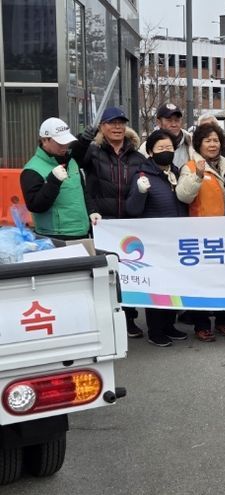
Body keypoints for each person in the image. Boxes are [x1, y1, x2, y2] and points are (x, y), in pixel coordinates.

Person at [71, 107, 147, 338]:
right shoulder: (93, 153)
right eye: (112, 123)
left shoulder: (136, 156)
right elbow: (73, 159)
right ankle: (106, 320)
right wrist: (82, 141)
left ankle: (129, 318)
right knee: (106, 274)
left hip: (130, 224)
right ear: (102, 127)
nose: (117, 127)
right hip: (103, 223)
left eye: (121, 123)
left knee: (129, 274)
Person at [176, 121, 225, 342]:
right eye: (207, 140)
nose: (213, 144)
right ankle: (201, 325)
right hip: (202, 234)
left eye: (216, 140)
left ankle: (224, 321)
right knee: (202, 281)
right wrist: (198, 176)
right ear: (199, 144)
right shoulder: (190, 167)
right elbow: (183, 196)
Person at [126, 129, 189, 347]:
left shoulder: (177, 172)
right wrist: (140, 192)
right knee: (157, 286)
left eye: (169, 147)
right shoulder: (142, 175)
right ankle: (155, 330)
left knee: (173, 285)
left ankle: (169, 325)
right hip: (154, 242)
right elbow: (132, 209)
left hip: (176, 240)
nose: (166, 151)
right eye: (161, 148)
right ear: (151, 152)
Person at [20, 118, 95, 240]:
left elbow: (82, 191)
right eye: (60, 143)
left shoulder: (71, 161)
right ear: (45, 140)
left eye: (67, 141)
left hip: (82, 232)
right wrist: (53, 182)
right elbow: (35, 206)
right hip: (55, 236)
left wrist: (92, 211)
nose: (65, 146)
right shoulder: (32, 169)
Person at [139, 102, 192, 168]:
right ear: (159, 122)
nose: (174, 124)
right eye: (169, 120)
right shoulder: (146, 148)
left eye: (177, 120)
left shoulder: (192, 143)